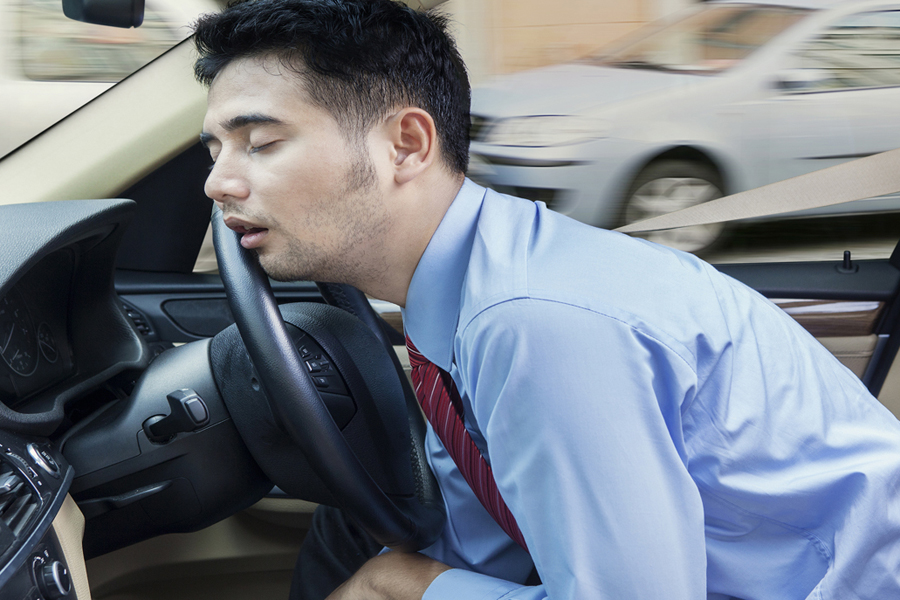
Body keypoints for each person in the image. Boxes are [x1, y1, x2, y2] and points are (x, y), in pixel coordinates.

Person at [193, 1, 900, 598]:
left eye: (261, 142)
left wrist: (405, 586)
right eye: (215, 150)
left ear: (406, 144)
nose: (217, 182)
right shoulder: (459, 287)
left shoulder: (536, 322)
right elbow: (482, 519)